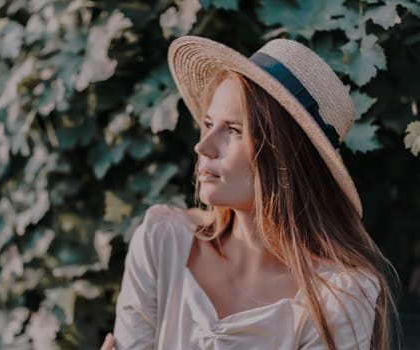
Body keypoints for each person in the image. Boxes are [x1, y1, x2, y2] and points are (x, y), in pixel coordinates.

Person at [101, 36, 400, 350]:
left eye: (233, 130)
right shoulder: (162, 243)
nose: (203, 147)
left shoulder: (339, 298)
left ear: (287, 157)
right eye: (208, 124)